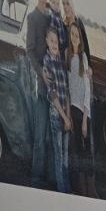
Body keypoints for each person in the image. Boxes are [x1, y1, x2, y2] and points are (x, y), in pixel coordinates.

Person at [23, 0, 52, 187]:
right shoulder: (33, 18)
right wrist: (41, 72)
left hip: (56, 84)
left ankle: (52, 179)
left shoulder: (52, 17)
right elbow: (30, 50)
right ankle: (36, 178)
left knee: (54, 133)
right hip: (42, 83)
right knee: (40, 134)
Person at [40, 24, 72, 193]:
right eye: (51, 41)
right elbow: (52, 94)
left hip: (65, 113)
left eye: (56, 41)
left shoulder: (60, 63)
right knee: (59, 155)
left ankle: (67, 188)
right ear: (47, 41)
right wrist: (64, 117)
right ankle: (62, 191)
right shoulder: (47, 62)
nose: (54, 44)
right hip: (56, 113)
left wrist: (69, 116)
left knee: (66, 155)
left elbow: (66, 90)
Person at [66, 19, 95, 196]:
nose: (74, 37)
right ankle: (82, 189)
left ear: (80, 38)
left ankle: (91, 189)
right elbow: (69, 88)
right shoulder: (68, 56)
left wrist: (84, 119)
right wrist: (69, 114)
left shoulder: (83, 57)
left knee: (86, 152)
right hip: (73, 108)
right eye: (72, 34)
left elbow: (87, 88)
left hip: (84, 111)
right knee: (77, 149)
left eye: (77, 35)